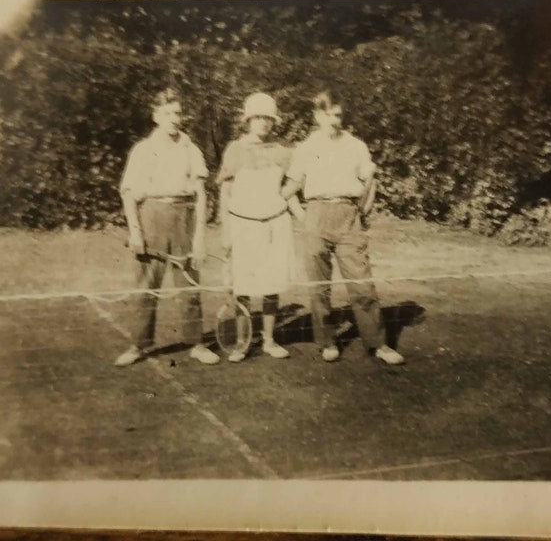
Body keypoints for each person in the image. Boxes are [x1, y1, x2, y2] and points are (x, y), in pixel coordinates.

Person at [281, 90, 405, 365]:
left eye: (337, 114)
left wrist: (364, 211)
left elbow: (369, 180)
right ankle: (327, 341)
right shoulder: (305, 147)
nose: (332, 120)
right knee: (319, 287)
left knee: (361, 283)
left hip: (349, 216)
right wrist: (301, 215)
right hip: (316, 215)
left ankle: (378, 344)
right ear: (317, 116)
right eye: (326, 114)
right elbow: (290, 188)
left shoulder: (356, 145)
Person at [114, 88, 220, 366]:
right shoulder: (143, 149)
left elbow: (201, 195)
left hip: (183, 217)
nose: (174, 118)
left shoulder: (191, 148)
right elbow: (128, 194)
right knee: (147, 286)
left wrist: (199, 237)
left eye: (177, 113)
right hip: (151, 216)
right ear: (156, 115)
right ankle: (138, 345)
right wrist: (135, 231)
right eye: (167, 113)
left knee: (189, 285)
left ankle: (196, 343)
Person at [217, 92, 302, 363]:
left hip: (275, 224)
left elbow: (295, 183)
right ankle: (242, 342)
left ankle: (268, 340)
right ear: (248, 120)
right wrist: (226, 228)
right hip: (243, 225)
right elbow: (225, 191)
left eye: (268, 118)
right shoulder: (235, 149)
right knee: (242, 284)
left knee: (271, 283)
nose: (264, 123)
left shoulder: (283, 151)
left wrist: (281, 199)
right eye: (258, 118)